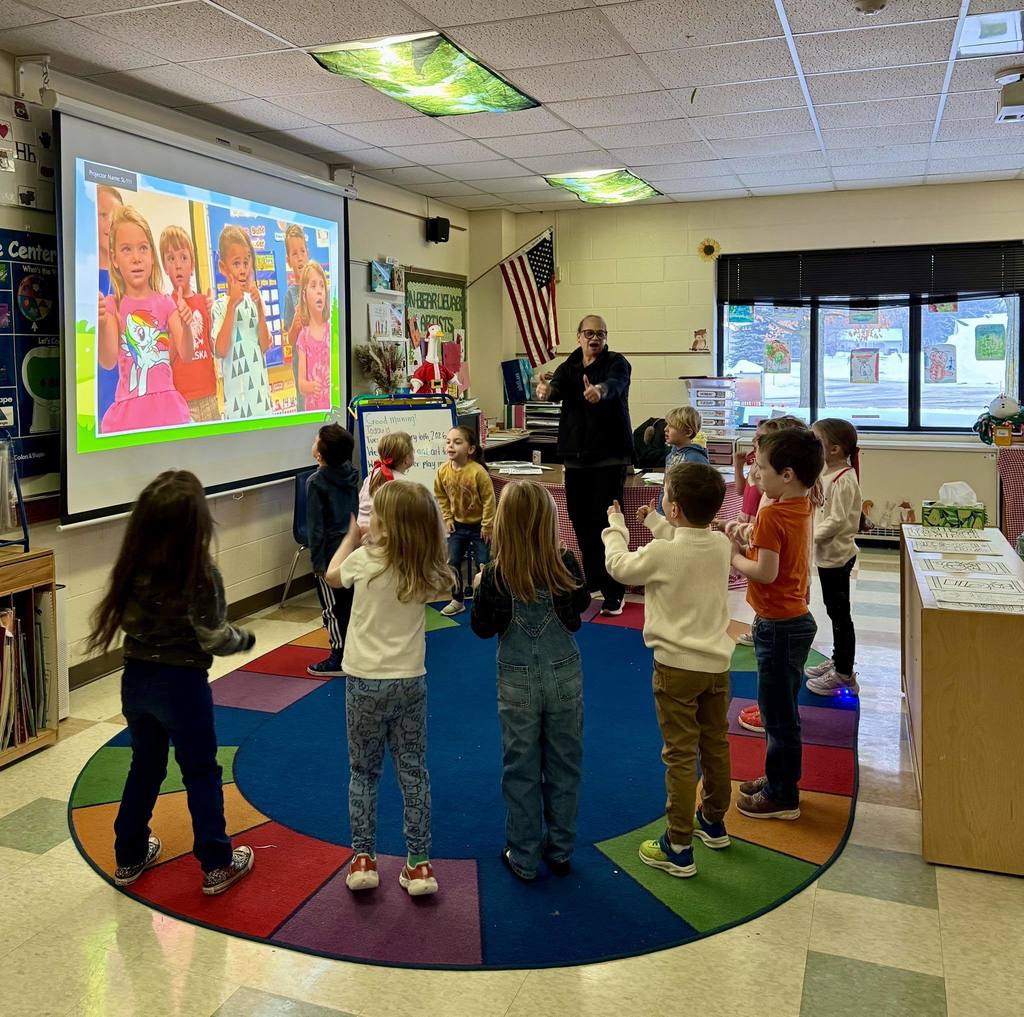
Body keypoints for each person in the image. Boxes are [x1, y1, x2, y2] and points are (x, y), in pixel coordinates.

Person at [87, 471, 256, 895]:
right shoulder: (200, 572)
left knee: (145, 765)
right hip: (183, 686)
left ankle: (128, 855)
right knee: (200, 771)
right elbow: (214, 637)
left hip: (137, 681)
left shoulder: (132, 566)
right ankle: (217, 864)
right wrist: (245, 638)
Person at [603, 463, 733, 877]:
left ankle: (678, 844)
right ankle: (713, 821)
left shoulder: (662, 553)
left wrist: (616, 528)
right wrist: (657, 522)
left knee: (679, 755)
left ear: (674, 508)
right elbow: (685, 547)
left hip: (675, 668)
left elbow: (620, 567)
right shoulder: (719, 545)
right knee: (715, 743)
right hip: (716, 666)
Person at [325, 481, 453, 896]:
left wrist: (349, 539)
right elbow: (446, 581)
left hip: (363, 681)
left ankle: (363, 859)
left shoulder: (364, 559)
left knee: (363, 772)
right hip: (409, 682)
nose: (368, 520)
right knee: (413, 772)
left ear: (386, 524)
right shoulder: (424, 566)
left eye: (374, 515)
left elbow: (332, 576)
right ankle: (419, 865)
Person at [470, 481, 590, 881]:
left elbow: (483, 628)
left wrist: (477, 589)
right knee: (565, 764)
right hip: (564, 675)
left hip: (517, 681)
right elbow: (576, 615)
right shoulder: (565, 563)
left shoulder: (498, 575)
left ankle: (522, 854)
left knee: (520, 767)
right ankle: (560, 849)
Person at [729, 429, 823, 820]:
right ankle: (776, 779)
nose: (755, 474)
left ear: (786, 474)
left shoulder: (771, 512)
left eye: (762, 467)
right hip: (793, 619)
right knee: (781, 711)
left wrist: (733, 556)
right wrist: (747, 536)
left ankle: (783, 795)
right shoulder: (801, 505)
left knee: (778, 716)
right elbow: (776, 552)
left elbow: (764, 572)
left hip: (779, 625)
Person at [536, 315, 632, 616]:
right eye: (589, 333)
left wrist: (599, 391)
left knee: (608, 523)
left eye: (601, 334)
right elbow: (555, 390)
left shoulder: (617, 362)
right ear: (578, 336)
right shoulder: (570, 365)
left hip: (609, 457)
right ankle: (594, 580)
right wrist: (545, 391)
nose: (595, 339)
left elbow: (616, 385)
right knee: (582, 522)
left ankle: (615, 590)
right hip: (575, 458)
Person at [98, 206, 193, 434]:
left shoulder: (165, 303)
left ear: (152, 256)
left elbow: (187, 355)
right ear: (115, 258)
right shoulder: (114, 305)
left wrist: (187, 326)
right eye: (127, 250)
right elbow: (108, 361)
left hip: (168, 412)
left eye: (143, 248)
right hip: (129, 416)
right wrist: (101, 324)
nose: (137, 258)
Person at [806, 418, 863, 697]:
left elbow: (837, 520)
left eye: (817, 442)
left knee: (840, 615)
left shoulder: (844, 479)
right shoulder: (827, 474)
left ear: (835, 450)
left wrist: (809, 535)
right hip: (827, 555)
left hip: (838, 557)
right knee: (834, 611)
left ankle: (843, 672)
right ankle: (839, 660)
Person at [306, 423, 360, 676]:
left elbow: (315, 528)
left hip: (329, 555)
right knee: (350, 603)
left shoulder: (316, 482)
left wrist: (317, 564)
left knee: (332, 607)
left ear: (320, 454)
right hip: (352, 548)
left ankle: (338, 655)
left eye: (316, 440)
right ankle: (355, 649)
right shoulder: (351, 473)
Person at [212, 225, 274, 420]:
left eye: (246, 263)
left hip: (262, 403)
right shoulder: (219, 306)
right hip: (237, 408)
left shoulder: (256, 301)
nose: (242, 270)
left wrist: (260, 310)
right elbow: (220, 350)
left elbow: (264, 345)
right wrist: (231, 306)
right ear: (223, 267)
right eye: (236, 263)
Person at [159, 225, 219, 423]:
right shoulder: (165, 305)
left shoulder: (203, 301)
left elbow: (213, 348)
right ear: (165, 266)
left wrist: (212, 316)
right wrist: (179, 324)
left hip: (210, 395)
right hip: (182, 399)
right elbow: (167, 358)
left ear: (192, 265)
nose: (178, 265)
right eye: (171, 258)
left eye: (183, 258)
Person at [434, 426, 495, 617]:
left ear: (470, 449)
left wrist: (487, 524)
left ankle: (484, 601)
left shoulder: (477, 472)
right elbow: (440, 495)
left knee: (483, 564)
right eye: (448, 441)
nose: (451, 445)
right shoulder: (443, 471)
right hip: (457, 526)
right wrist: (447, 517)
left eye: (457, 442)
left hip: (479, 527)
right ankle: (457, 599)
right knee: (452, 562)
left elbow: (489, 499)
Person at [96, 184, 123, 424]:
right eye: (103, 215)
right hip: (96, 404)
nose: (109, 225)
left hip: (131, 403)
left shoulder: (132, 281)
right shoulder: (81, 279)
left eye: (115, 219)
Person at [356, 431, 415, 537]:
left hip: (359, 532)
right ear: (406, 460)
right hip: (379, 535)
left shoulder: (371, 476)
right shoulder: (402, 484)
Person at [294, 261, 331, 412]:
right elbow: (301, 384)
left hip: (334, 408)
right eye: (314, 286)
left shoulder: (332, 332)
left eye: (322, 286)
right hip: (314, 410)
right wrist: (311, 387)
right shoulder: (303, 337)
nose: (319, 291)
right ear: (304, 295)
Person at [658, 406, 709, 513]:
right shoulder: (671, 456)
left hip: (685, 516)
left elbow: (700, 492)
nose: (665, 429)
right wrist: (660, 511)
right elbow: (666, 489)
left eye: (671, 426)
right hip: (668, 512)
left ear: (687, 432)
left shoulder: (695, 459)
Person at [283, 224, 310, 412]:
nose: (299, 257)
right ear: (288, 260)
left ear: (307, 253)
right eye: (294, 253)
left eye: (302, 251)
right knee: (304, 405)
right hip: (301, 364)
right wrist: (295, 324)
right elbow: (290, 339)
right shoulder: (290, 294)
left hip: (319, 362)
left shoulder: (317, 288)